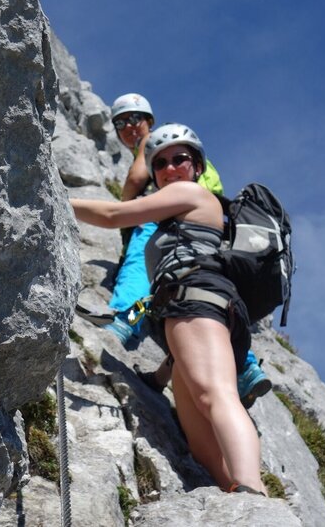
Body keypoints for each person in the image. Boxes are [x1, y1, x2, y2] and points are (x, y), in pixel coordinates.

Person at [71, 124, 266, 495]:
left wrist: (60, 202)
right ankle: (239, 497)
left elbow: (113, 215)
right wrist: (160, 376)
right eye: (160, 164)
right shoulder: (178, 218)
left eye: (180, 159)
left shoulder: (189, 192)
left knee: (214, 394)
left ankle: (252, 489)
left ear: (197, 166)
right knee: (202, 446)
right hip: (195, 308)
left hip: (199, 300)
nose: (170, 168)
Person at [96, 94, 271, 408]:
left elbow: (136, 178)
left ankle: (124, 320)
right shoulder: (183, 154)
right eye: (120, 123)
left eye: (134, 118)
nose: (129, 127)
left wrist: (128, 209)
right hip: (205, 231)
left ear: (149, 121)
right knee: (203, 298)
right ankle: (246, 366)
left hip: (171, 215)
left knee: (140, 266)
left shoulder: (156, 146)